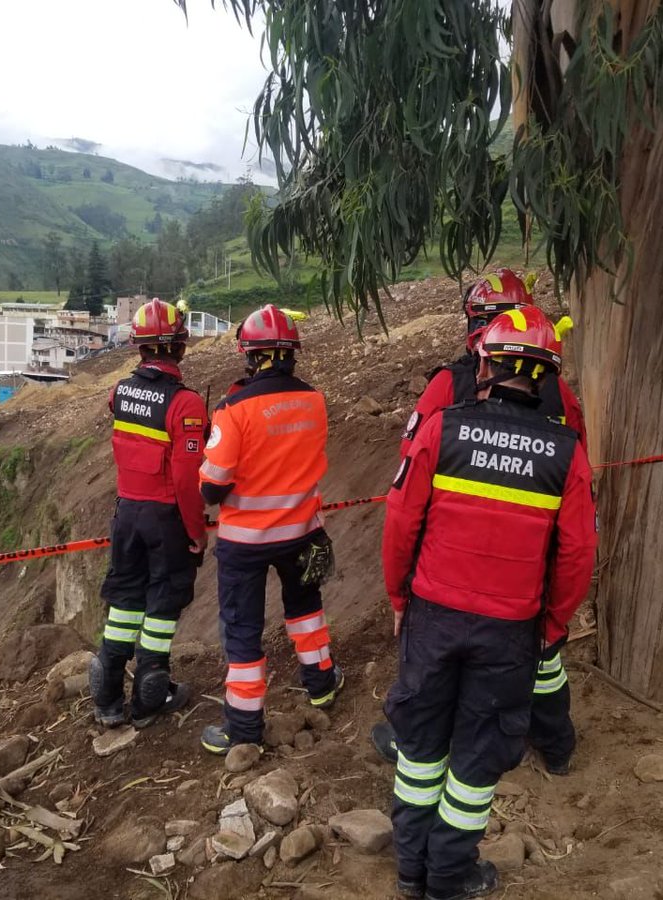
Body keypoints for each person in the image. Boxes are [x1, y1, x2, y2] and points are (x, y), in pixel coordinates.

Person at [381, 307, 597, 900]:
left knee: (420, 747)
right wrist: (554, 621)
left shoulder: (441, 429)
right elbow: (578, 551)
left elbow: (400, 521)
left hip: (432, 616)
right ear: (546, 378)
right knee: (478, 755)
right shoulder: (566, 453)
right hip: (510, 628)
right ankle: (449, 875)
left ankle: (410, 868)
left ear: (485, 365)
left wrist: (399, 595)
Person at [377, 269, 584, 775]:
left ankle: (422, 744)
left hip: (452, 564)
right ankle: (555, 743)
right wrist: (557, 617)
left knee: (435, 669)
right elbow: (576, 482)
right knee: (539, 658)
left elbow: (410, 476)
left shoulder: (450, 385)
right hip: (530, 563)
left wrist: (401, 591)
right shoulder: (559, 392)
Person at [198, 304, 343, 754]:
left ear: (251, 354)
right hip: (302, 532)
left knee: (243, 629)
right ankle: (322, 683)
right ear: (291, 353)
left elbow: (212, 487)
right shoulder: (314, 400)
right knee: (306, 609)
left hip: (246, 543)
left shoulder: (232, 409)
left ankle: (243, 727)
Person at [89, 298, 207, 729]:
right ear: (179, 346)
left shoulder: (119, 392)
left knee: (124, 599)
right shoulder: (186, 405)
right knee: (163, 602)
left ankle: (107, 696)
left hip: (127, 515)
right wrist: (197, 532)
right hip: (166, 519)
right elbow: (187, 479)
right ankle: (149, 696)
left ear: (139, 348)